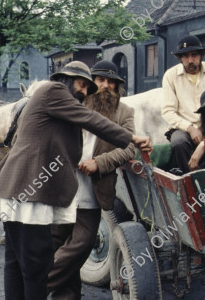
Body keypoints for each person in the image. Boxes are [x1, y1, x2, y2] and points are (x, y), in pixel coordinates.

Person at [0, 61, 151, 300]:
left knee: (17, 261)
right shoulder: (54, 91)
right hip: (31, 189)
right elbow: (91, 120)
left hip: (20, 187)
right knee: (35, 262)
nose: (85, 91)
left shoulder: (51, 100)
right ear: (67, 78)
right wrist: (132, 137)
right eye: (83, 84)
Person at [47, 60, 136, 299]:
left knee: (82, 245)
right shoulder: (74, 104)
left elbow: (129, 149)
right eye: (100, 80)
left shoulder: (124, 112)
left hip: (94, 191)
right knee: (58, 244)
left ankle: (34, 286)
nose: (106, 86)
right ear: (91, 83)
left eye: (111, 82)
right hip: (63, 187)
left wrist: (100, 162)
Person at [161, 35, 205, 174]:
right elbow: (168, 111)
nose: (190, 60)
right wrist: (190, 128)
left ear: (201, 55)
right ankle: (189, 179)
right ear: (180, 58)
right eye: (185, 56)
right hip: (183, 127)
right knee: (178, 143)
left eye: (194, 55)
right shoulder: (170, 76)